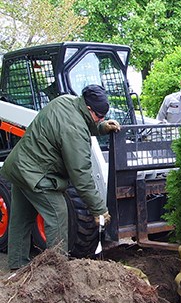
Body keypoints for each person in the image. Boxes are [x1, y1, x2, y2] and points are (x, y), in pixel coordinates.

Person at [1, 84, 120, 270]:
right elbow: (81, 174)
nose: (101, 118)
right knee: (58, 213)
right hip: (36, 173)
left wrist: (101, 127)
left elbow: (79, 121)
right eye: (99, 116)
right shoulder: (75, 130)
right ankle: (58, 272)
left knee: (21, 219)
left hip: (19, 166)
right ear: (88, 108)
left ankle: (17, 266)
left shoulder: (66, 101)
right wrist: (99, 209)